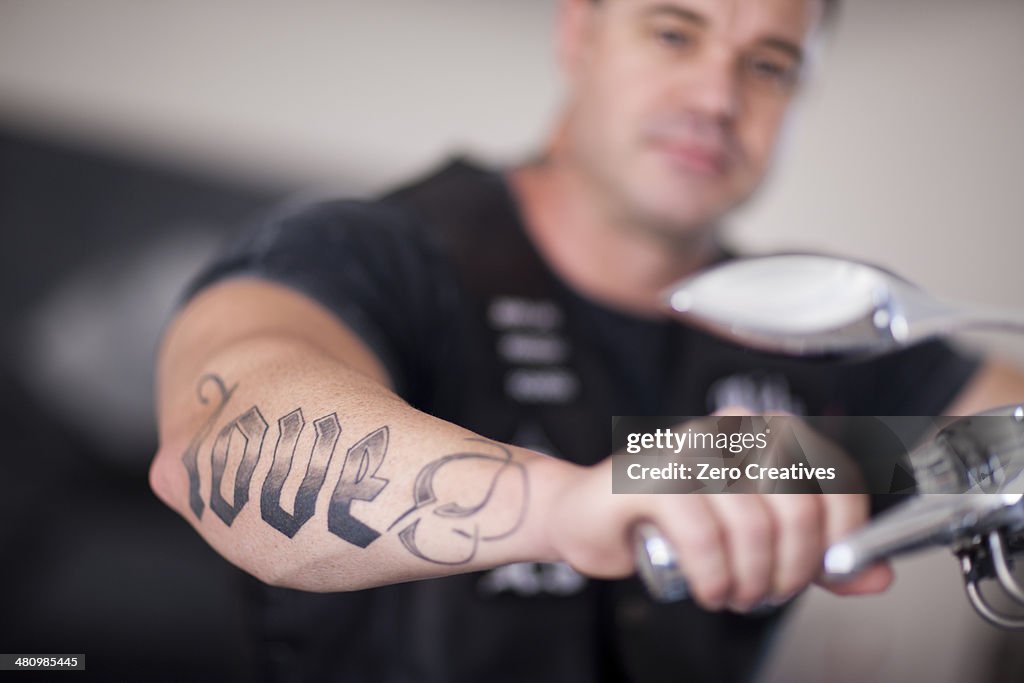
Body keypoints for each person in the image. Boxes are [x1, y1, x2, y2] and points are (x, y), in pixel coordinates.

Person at [149, 0, 1024, 681]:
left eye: (768, 64)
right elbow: (219, 441)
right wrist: (563, 507)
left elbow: (1005, 428)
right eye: (675, 34)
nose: (717, 98)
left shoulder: (821, 319)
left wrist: (923, 475)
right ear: (579, 33)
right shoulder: (373, 251)